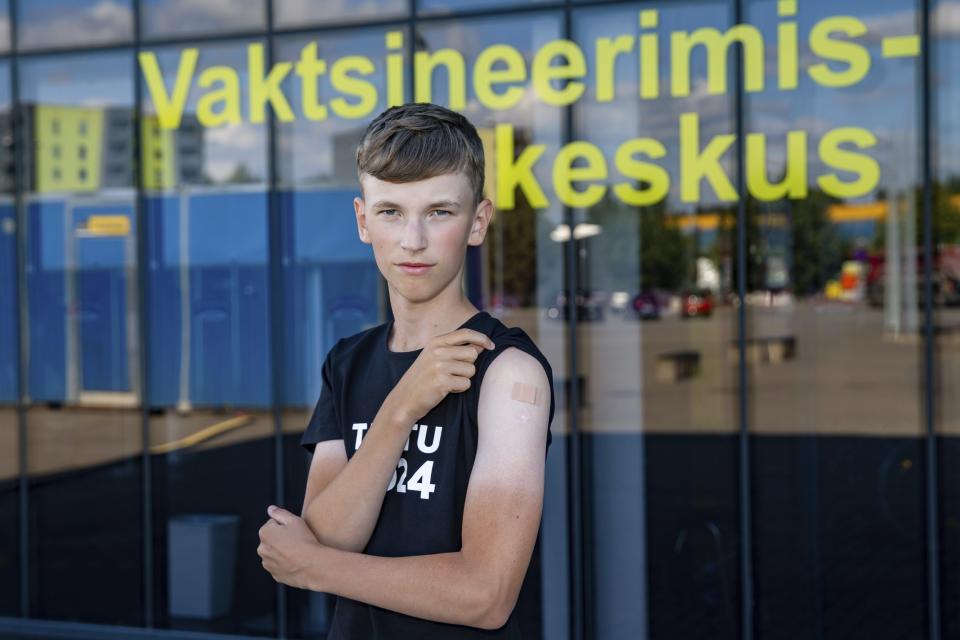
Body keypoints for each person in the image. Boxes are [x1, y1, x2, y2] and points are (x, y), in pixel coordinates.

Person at [257, 102, 555, 639]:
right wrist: (400, 408)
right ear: (362, 221)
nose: (412, 239)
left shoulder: (509, 372)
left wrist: (314, 567)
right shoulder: (347, 364)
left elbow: (485, 595)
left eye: (439, 212)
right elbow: (328, 535)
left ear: (478, 222)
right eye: (391, 211)